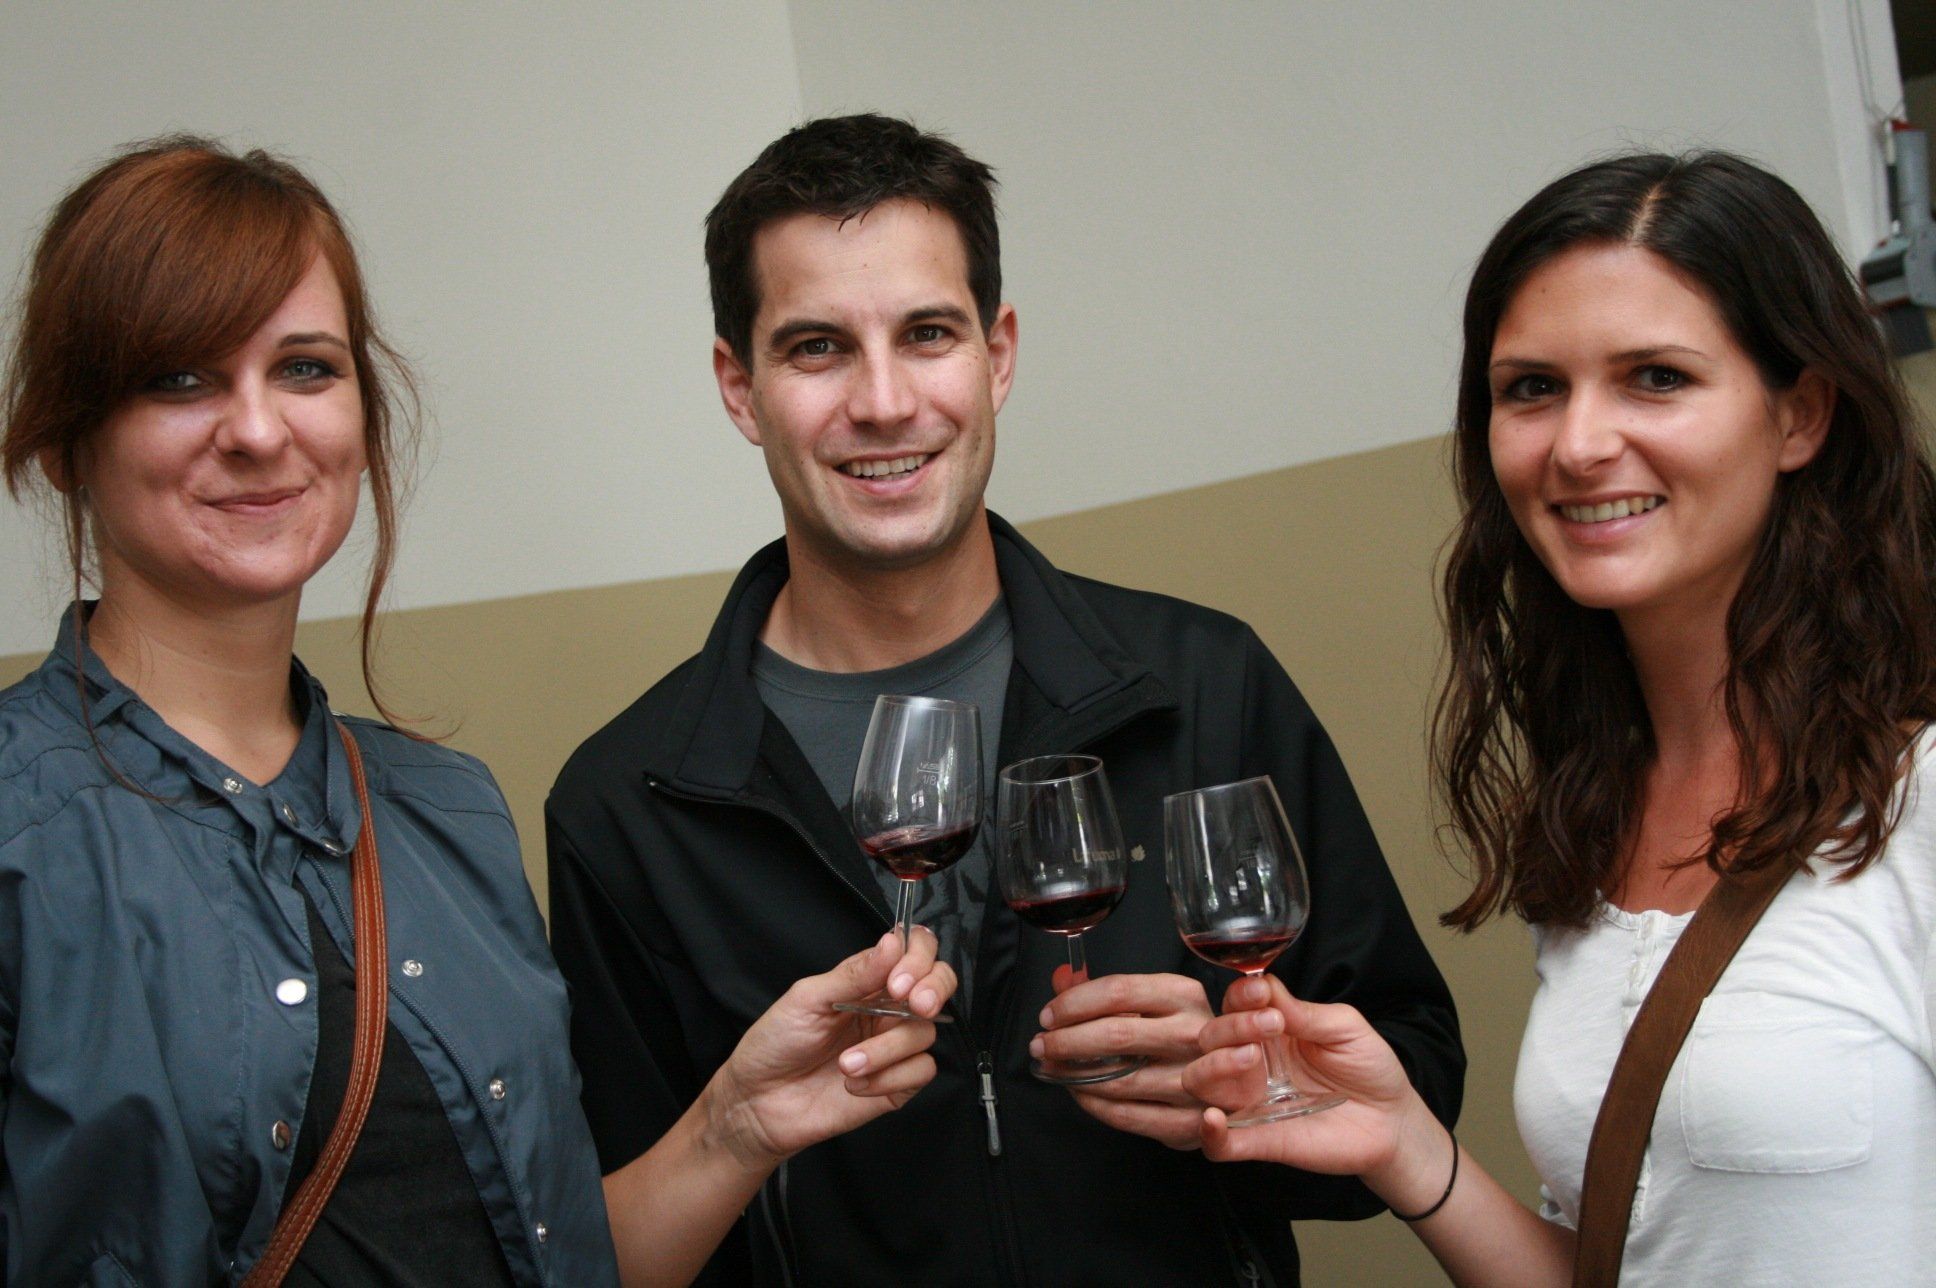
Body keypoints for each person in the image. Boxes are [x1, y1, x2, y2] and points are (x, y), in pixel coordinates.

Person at [0, 136, 956, 1287]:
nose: (257, 429)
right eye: (180, 379)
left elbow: (558, 1258)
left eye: (304, 368)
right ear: (66, 439)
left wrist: (734, 1125)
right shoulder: (22, 830)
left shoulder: (443, 810)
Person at [545, 112, 1464, 1287]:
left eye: (927, 334)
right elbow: (602, 1246)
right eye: (817, 348)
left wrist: (1239, 1087)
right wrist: (733, 1129)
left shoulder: (1202, 682)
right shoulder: (627, 799)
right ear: (741, 387)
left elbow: (1412, 1083)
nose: (884, 401)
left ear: (999, 354)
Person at [1184, 150, 1936, 1285]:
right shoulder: (1602, 809)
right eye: (1532, 387)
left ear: (1800, 415)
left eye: (1656, 378)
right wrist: (1405, 1145)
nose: (1579, 445)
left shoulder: (1917, 801)